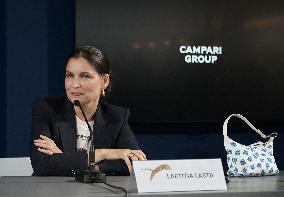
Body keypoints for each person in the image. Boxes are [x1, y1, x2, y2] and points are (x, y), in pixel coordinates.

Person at [30, 45, 146, 176]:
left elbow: (135, 162)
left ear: (104, 81)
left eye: (85, 76)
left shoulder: (116, 116)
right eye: (69, 75)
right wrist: (103, 154)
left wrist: (67, 159)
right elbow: (42, 164)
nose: (75, 84)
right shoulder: (47, 108)